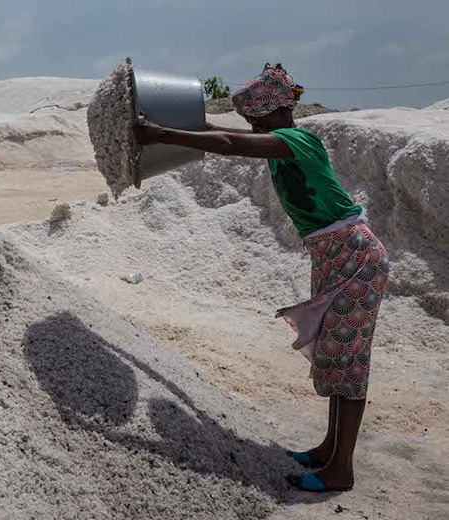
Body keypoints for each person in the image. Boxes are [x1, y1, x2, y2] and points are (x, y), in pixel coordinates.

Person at [135, 63, 389, 493]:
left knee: (348, 362)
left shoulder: (298, 140)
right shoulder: (279, 138)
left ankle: (340, 469)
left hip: (355, 258)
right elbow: (231, 134)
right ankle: (328, 450)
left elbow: (232, 142)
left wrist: (162, 135)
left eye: (257, 115)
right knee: (333, 354)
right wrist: (171, 125)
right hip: (334, 255)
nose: (252, 123)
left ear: (278, 111)